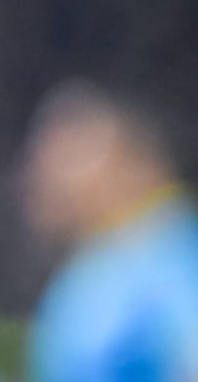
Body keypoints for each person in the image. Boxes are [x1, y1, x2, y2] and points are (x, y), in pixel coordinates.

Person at [22, 78, 198, 382]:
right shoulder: (96, 260)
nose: (47, 172)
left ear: (128, 160)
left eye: (72, 154)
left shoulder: (177, 253)